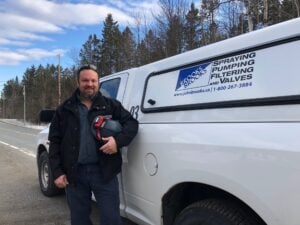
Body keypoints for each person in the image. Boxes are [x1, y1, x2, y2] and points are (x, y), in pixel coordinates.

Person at [48, 64, 138, 225]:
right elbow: (54, 141)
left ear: (98, 82)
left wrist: (117, 142)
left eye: (93, 80)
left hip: (104, 172)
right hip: (74, 174)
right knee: (79, 220)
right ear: (78, 82)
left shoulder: (110, 105)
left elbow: (132, 124)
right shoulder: (64, 109)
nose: (89, 84)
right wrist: (57, 171)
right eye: (85, 80)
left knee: (111, 220)